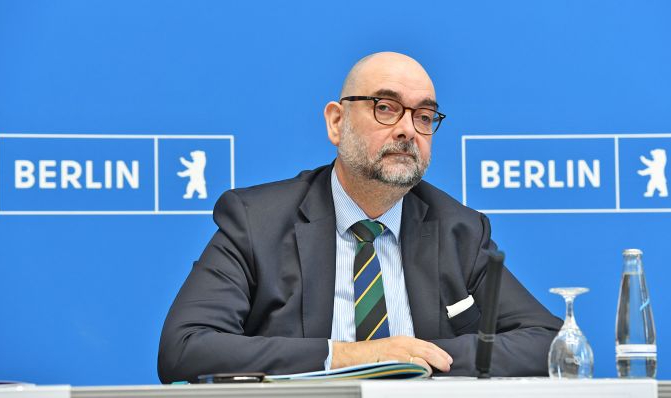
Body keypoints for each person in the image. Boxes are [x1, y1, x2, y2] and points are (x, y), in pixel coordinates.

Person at [158, 52, 562, 383]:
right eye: (386, 108)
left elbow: (546, 342)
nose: (407, 129)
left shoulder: (461, 229)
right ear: (337, 122)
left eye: (424, 116)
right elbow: (185, 347)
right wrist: (352, 356)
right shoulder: (257, 221)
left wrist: (412, 357)